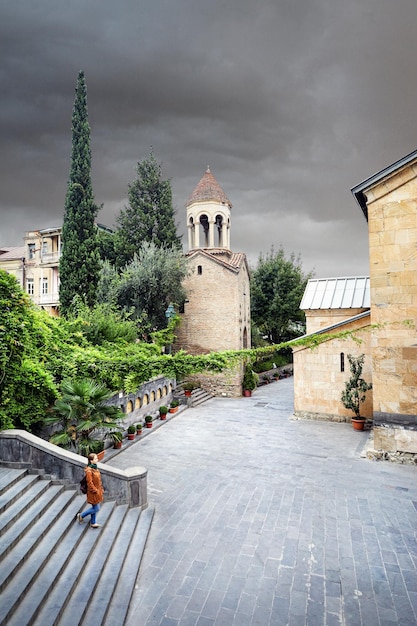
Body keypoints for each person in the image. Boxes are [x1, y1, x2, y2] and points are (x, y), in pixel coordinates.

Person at [77, 452, 104, 528]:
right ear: (91, 461)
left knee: (94, 507)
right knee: (96, 508)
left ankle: (93, 522)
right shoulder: (89, 471)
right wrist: (95, 490)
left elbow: (98, 480)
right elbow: (89, 482)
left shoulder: (95, 468)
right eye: (95, 459)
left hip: (97, 490)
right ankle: (81, 515)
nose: (97, 460)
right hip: (93, 492)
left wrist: (100, 489)